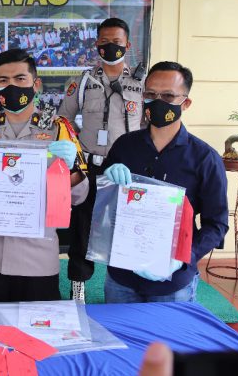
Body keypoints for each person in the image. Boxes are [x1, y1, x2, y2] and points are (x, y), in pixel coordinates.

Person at [0, 49, 88, 303]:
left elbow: (79, 196)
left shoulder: (58, 129)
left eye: (20, 78)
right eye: (3, 80)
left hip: (37, 258)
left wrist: (72, 169)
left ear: (36, 84)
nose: (12, 86)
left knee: (37, 326)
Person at [101, 61, 228, 303]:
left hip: (172, 283)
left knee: (169, 330)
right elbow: (103, 201)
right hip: (122, 276)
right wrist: (105, 179)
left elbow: (217, 224)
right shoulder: (124, 146)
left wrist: (183, 257)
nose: (157, 102)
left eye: (168, 96)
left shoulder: (205, 158)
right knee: (119, 328)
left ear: (186, 103)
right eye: (150, 94)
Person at [56, 17, 145, 302]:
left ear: (127, 45)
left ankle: (129, 288)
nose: (110, 47)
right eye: (104, 42)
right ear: (96, 44)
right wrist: (78, 145)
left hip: (127, 170)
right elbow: (63, 119)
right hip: (90, 167)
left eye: (116, 42)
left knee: (129, 228)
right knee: (83, 230)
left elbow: (149, 125)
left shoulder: (141, 83)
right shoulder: (83, 81)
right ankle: (78, 288)